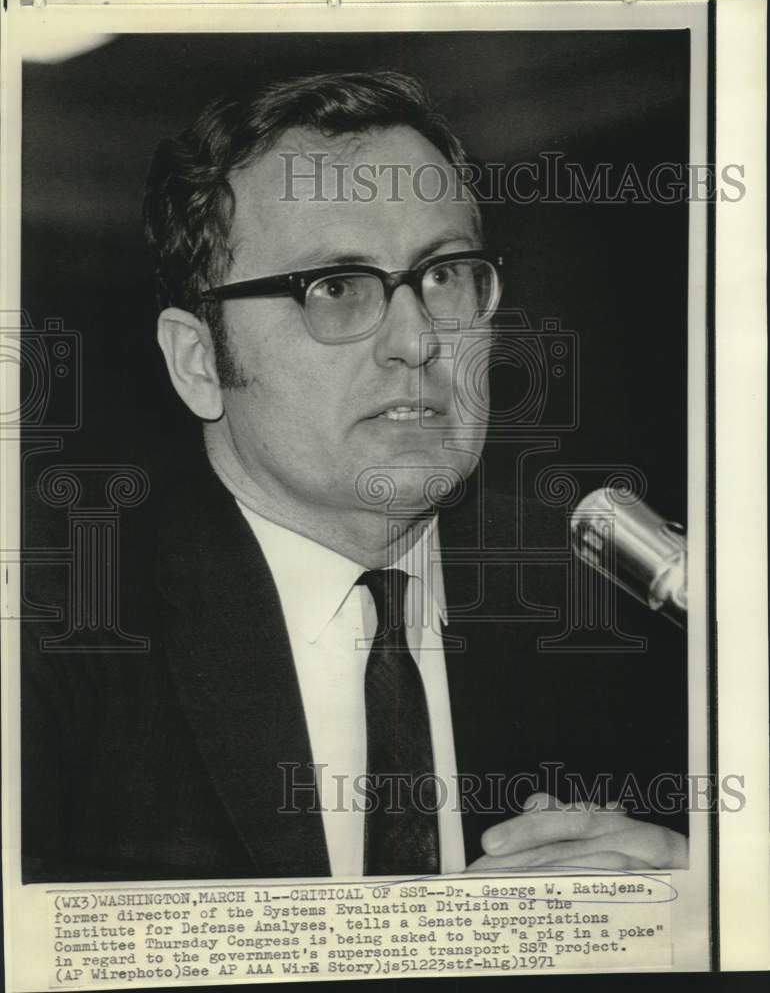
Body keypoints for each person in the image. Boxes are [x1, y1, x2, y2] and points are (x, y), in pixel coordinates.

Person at [21, 71, 687, 882]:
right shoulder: (56, 636)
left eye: (444, 276)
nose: (416, 340)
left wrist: (709, 904)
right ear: (199, 361)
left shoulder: (618, 603)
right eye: (335, 287)